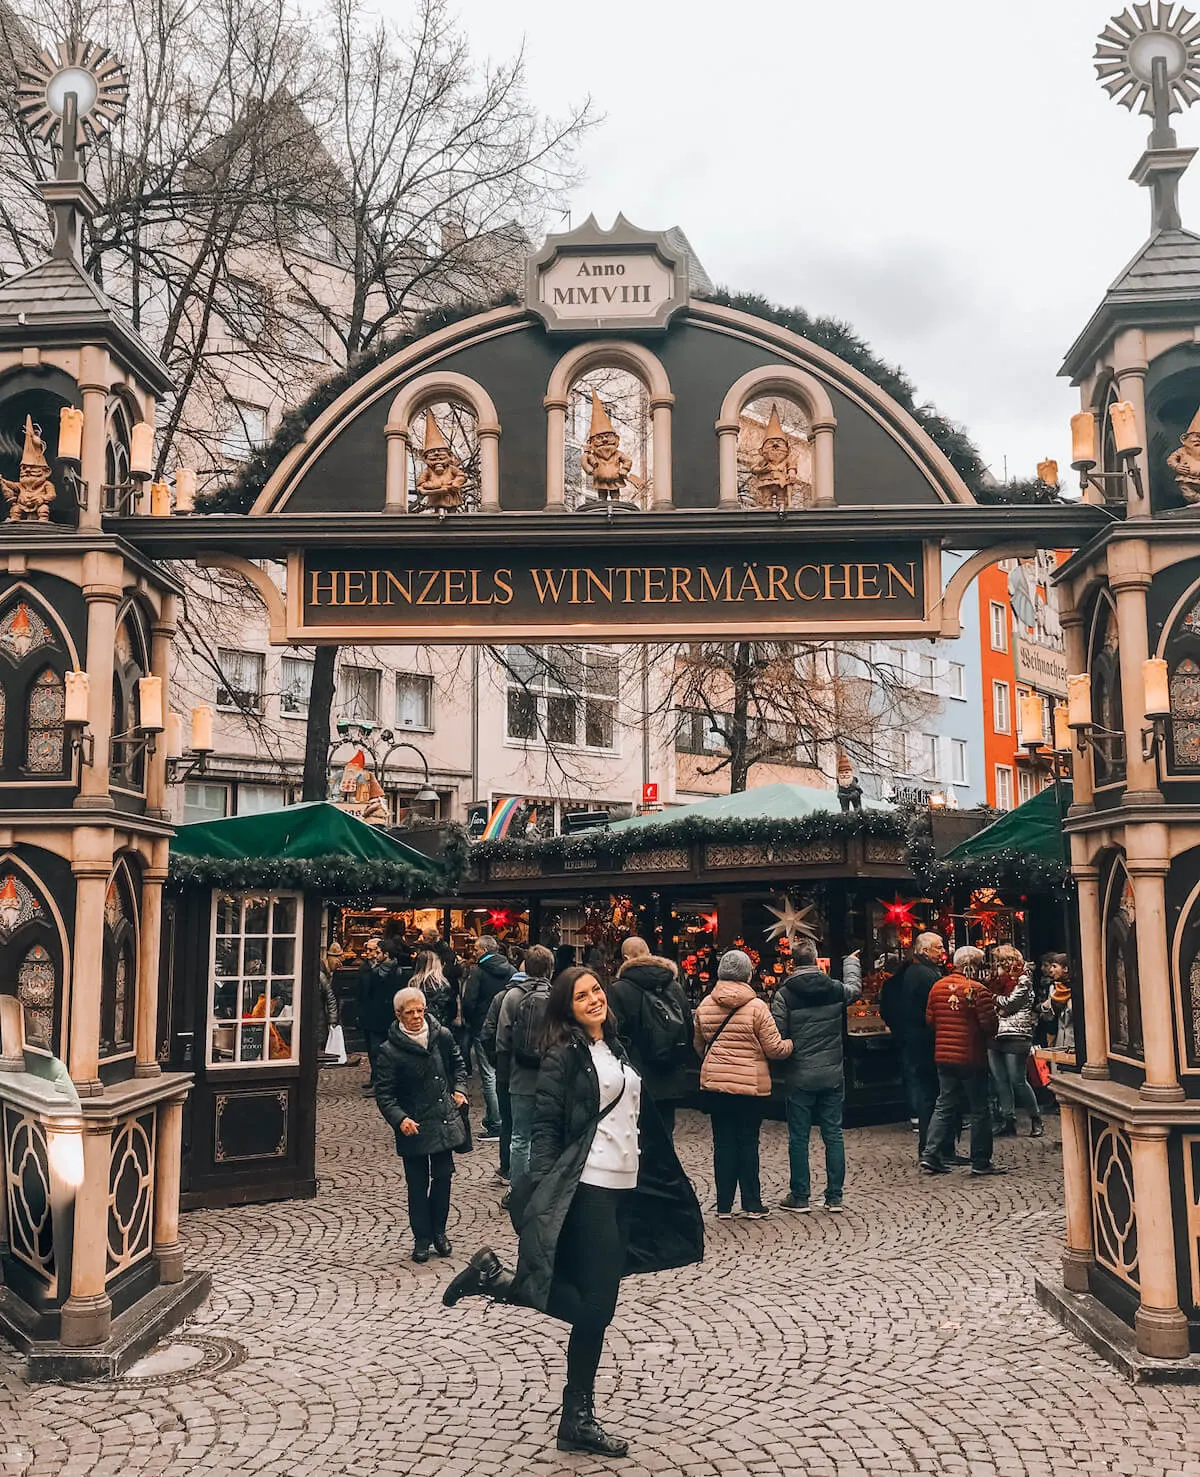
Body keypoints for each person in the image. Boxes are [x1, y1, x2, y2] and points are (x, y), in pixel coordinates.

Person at [442, 966, 704, 1457]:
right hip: (589, 1190)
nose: (593, 999)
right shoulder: (564, 1058)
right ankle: (497, 1282)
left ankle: (575, 1419)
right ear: (567, 1007)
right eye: (581, 995)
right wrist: (538, 1193)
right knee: (595, 1307)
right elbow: (545, 1131)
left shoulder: (618, 1049)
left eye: (597, 991)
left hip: (627, 1188)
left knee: (595, 1311)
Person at [693, 948, 792, 1219]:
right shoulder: (757, 1006)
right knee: (748, 1143)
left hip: (716, 1086)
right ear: (748, 974)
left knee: (723, 1144)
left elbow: (699, 1045)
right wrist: (791, 1044)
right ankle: (751, 1202)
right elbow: (774, 1049)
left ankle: (724, 1205)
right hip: (750, 1088)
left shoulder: (705, 1005)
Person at [374, 986, 469, 1262]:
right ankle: (422, 1237)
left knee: (442, 1178)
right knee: (416, 1184)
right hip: (413, 1123)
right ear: (398, 1015)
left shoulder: (441, 1036)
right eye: (410, 1012)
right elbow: (385, 1094)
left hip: (442, 1118)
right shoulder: (389, 1051)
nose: (416, 1017)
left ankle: (439, 1232)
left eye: (420, 1011)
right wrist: (399, 1118)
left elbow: (459, 1064)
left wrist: (460, 1089)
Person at [771, 939, 862, 1212]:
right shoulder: (833, 988)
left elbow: (778, 1033)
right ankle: (834, 1196)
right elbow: (855, 990)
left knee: (798, 1137)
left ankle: (800, 1195)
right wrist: (851, 963)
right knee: (833, 1133)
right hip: (832, 1072)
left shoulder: (784, 994)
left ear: (792, 961)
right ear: (816, 958)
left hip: (799, 1074)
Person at [921, 946, 1003, 1177]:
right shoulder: (977, 990)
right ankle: (980, 1160)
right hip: (971, 1055)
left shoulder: (937, 987)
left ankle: (931, 1153)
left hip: (944, 1055)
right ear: (975, 966)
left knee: (944, 1103)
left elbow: (930, 1019)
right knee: (979, 1108)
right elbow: (989, 1025)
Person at [605, 936, 693, 1138]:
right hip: (669, 1075)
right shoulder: (675, 987)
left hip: (635, 1075)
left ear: (626, 957)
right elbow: (688, 1030)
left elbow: (612, 1034)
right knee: (665, 1134)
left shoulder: (619, 990)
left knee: (634, 1136)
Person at [879, 933, 945, 1157]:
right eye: (938, 948)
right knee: (931, 1094)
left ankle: (933, 1146)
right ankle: (933, 1148)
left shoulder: (915, 973)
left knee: (930, 1093)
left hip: (915, 1038)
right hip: (925, 1040)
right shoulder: (924, 975)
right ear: (925, 951)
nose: (942, 952)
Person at [495, 943, 555, 1190]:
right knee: (547, 1136)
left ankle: (517, 1189)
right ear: (550, 969)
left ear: (525, 967)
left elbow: (501, 1039)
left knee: (519, 1137)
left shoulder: (512, 996)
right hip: (551, 1076)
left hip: (520, 1076)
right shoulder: (556, 996)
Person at [462, 936, 514, 1139]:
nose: (473, 952)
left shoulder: (478, 972)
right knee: (502, 1072)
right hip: (505, 1026)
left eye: (476, 949)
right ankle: (502, 1118)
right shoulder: (510, 969)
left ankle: (496, 1123)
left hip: (482, 1027)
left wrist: (470, 1021)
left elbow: (469, 1001)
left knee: (488, 1075)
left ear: (484, 950)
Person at [989, 949, 1043, 1138]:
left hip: (1016, 1033)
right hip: (995, 1034)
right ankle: (1007, 1119)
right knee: (1000, 1080)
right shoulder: (995, 981)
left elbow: (1010, 1003)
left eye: (997, 961)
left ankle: (1036, 1118)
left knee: (1017, 1080)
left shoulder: (1023, 980)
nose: (994, 964)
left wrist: (991, 997)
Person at [356, 936, 405, 1095]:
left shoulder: (395, 971)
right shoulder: (374, 969)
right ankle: (377, 1079)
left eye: (378, 952)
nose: (374, 955)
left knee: (381, 1050)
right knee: (374, 1049)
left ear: (386, 954)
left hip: (385, 1016)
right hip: (373, 1015)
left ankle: (382, 1083)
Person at [410, 950, 457, 1039]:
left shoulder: (413, 983)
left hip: (419, 1024)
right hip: (440, 1024)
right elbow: (451, 1007)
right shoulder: (443, 983)